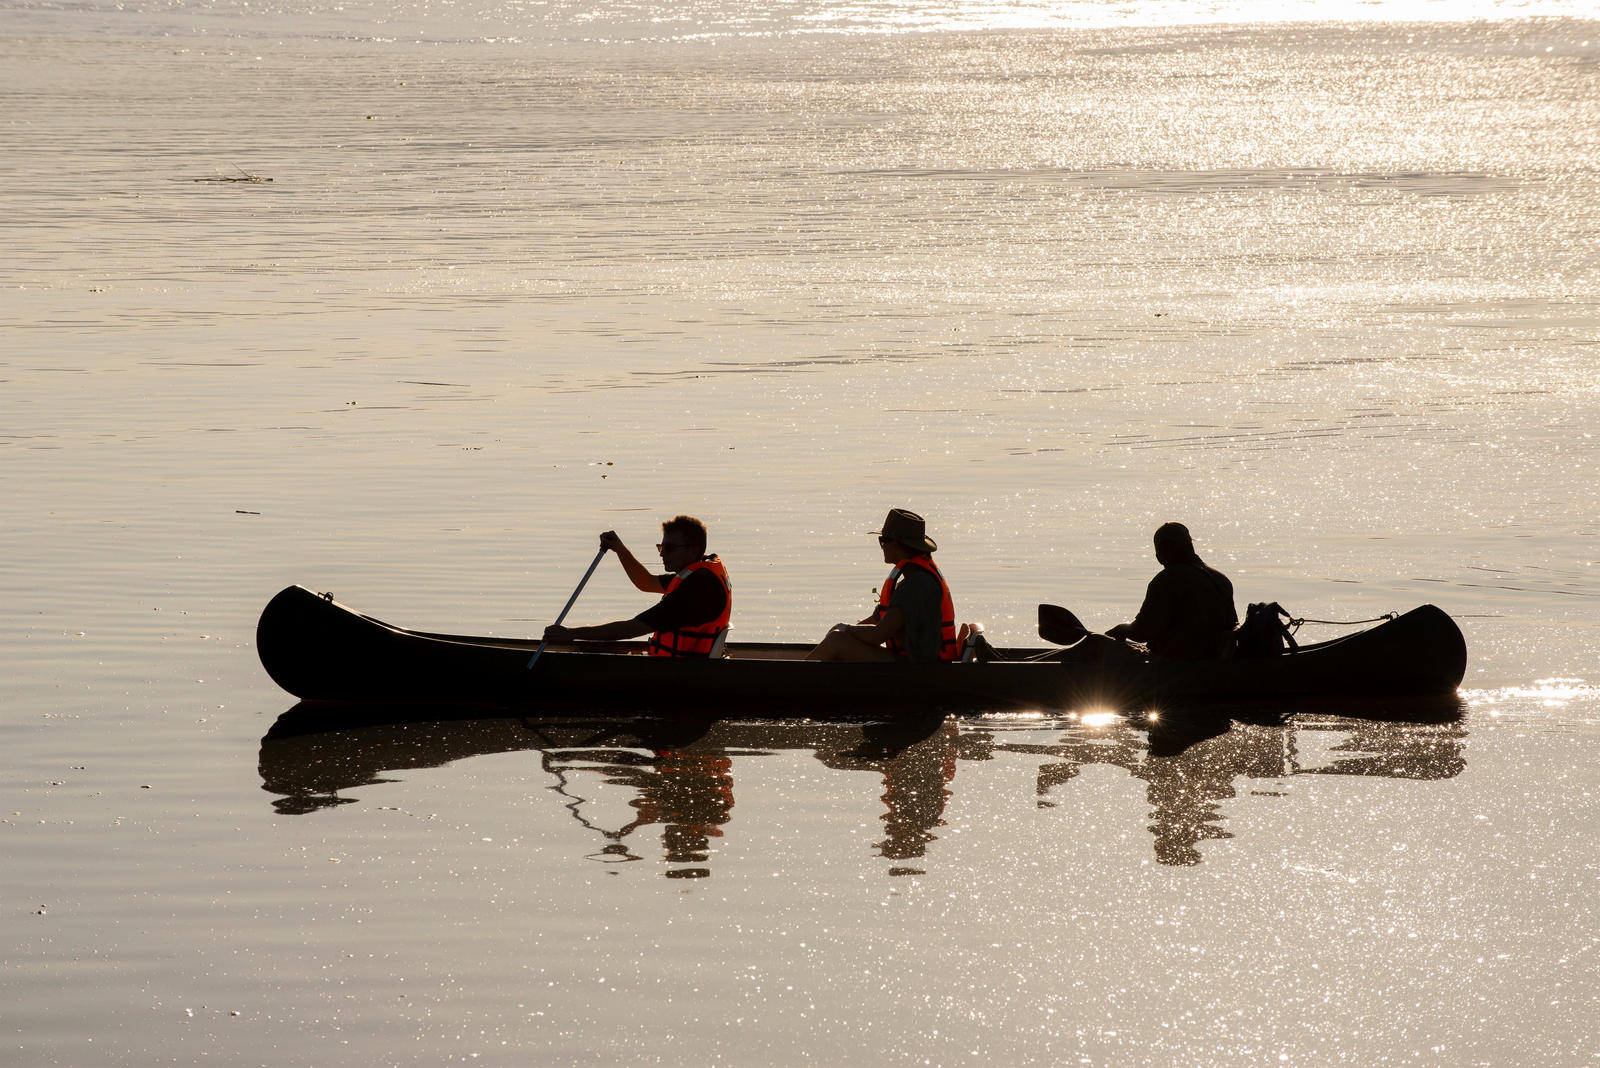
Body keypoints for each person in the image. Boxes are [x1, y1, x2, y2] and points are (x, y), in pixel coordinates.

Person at [542, 515, 731, 657]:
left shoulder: (697, 589)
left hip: (682, 672)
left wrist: (571, 634)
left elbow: (632, 629)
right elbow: (646, 582)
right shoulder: (694, 574)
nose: (662, 554)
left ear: (693, 551)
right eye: (661, 547)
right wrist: (620, 549)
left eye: (670, 548)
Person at [806, 509, 958, 663]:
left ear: (897, 545)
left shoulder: (916, 584)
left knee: (835, 641)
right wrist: (849, 633)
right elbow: (876, 619)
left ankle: (793, 679)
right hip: (914, 662)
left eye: (882, 541)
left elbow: (877, 635)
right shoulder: (912, 579)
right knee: (839, 638)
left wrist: (844, 629)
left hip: (922, 669)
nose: (882, 546)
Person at [1105, 522, 1238, 661]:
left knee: (1094, 643)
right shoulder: (1221, 579)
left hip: (1173, 666)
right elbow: (1232, 626)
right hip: (1213, 663)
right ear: (1191, 547)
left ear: (1158, 557)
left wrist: (1122, 629)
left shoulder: (1168, 578)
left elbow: (1142, 632)